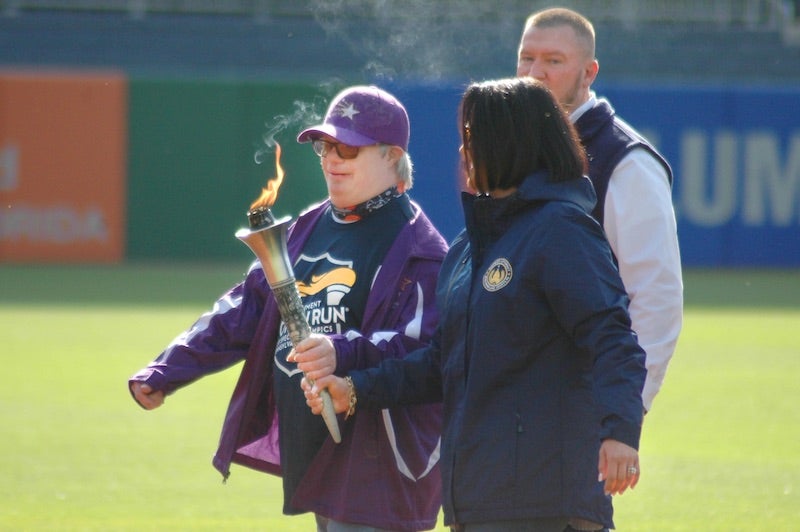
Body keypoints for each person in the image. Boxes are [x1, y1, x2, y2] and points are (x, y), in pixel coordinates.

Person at [299, 77, 646, 532]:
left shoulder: (561, 230)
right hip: (479, 500)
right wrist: (357, 389)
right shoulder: (468, 248)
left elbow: (613, 337)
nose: (463, 154)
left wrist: (620, 432)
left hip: (547, 501)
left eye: (472, 140)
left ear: (509, 145)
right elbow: (442, 362)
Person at [128, 85, 448, 532]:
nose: (331, 159)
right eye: (324, 145)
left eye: (348, 148)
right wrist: (167, 369)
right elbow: (242, 309)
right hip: (317, 452)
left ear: (392, 156)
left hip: (380, 466)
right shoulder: (305, 227)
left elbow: (426, 354)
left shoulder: (420, 247)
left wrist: (341, 352)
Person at [516, 7, 683, 415]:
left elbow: (655, 297)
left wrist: (623, 411)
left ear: (589, 73)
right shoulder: (517, 145)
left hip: (581, 406)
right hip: (518, 403)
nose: (535, 72)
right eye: (527, 57)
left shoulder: (626, 160)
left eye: (554, 61)